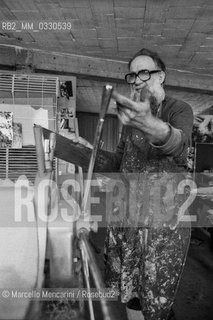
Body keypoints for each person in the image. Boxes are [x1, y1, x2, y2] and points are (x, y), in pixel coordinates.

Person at [74, 48, 194, 320]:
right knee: (130, 293)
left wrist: (150, 122)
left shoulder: (179, 109)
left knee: (156, 294)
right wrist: (88, 151)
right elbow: (119, 162)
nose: (137, 80)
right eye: (132, 75)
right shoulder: (129, 123)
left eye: (144, 72)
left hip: (163, 226)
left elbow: (177, 143)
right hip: (127, 220)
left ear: (160, 76)